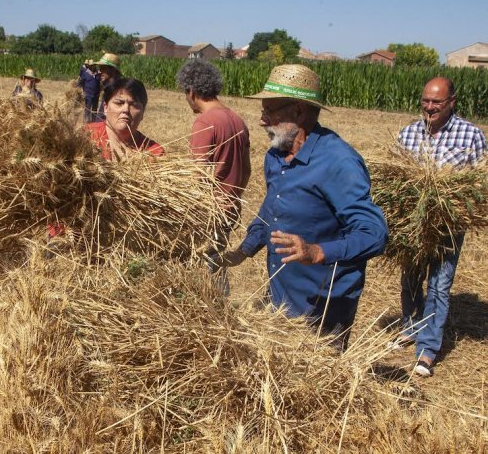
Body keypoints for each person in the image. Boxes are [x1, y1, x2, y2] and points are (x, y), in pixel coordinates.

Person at [215, 64, 388, 351]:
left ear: (298, 112)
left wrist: (318, 251)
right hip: (282, 293)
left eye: (269, 111)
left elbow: (375, 234)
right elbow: (273, 206)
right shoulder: (276, 155)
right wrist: (245, 249)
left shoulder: (339, 162)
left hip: (323, 304)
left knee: (318, 386)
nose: (261, 120)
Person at [395, 77, 486, 376]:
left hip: (448, 227)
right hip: (413, 224)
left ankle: (427, 349)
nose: (429, 107)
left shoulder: (471, 135)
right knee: (410, 278)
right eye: (426, 101)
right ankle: (410, 327)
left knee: (439, 284)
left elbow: (481, 184)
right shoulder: (408, 133)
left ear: (451, 103)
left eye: (437, 102)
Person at [48, 78, 163, 241]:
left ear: (143, 113)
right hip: (70, 234)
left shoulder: (154, 152)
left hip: (123, 240)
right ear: (105, 107)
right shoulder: (82, 138)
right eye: (119, 103)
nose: (126, 110)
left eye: (134, 105)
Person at [175, 58, 251, 254]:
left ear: (191, 91)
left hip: (210, 213)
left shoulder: (205, 122)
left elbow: (197, 174)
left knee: (203, 266)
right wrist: (233, 199)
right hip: (231, 209)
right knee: (217, 262)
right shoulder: (237, 120)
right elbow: (247, 170)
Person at [90, 52, 122, 123]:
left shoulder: (117, 91)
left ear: (113, 70)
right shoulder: (108, 88)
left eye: (103, 68)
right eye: (100, 68)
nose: (99, 71)